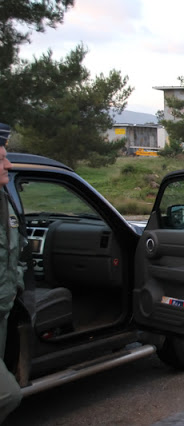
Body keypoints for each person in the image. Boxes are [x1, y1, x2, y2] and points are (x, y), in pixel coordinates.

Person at [0, 122, 24, 422]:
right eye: (2, 159)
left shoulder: (4, 201)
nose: (9, 163)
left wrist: (16, 283)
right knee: (8, 394)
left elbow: (13, 252)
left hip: (4, 310)